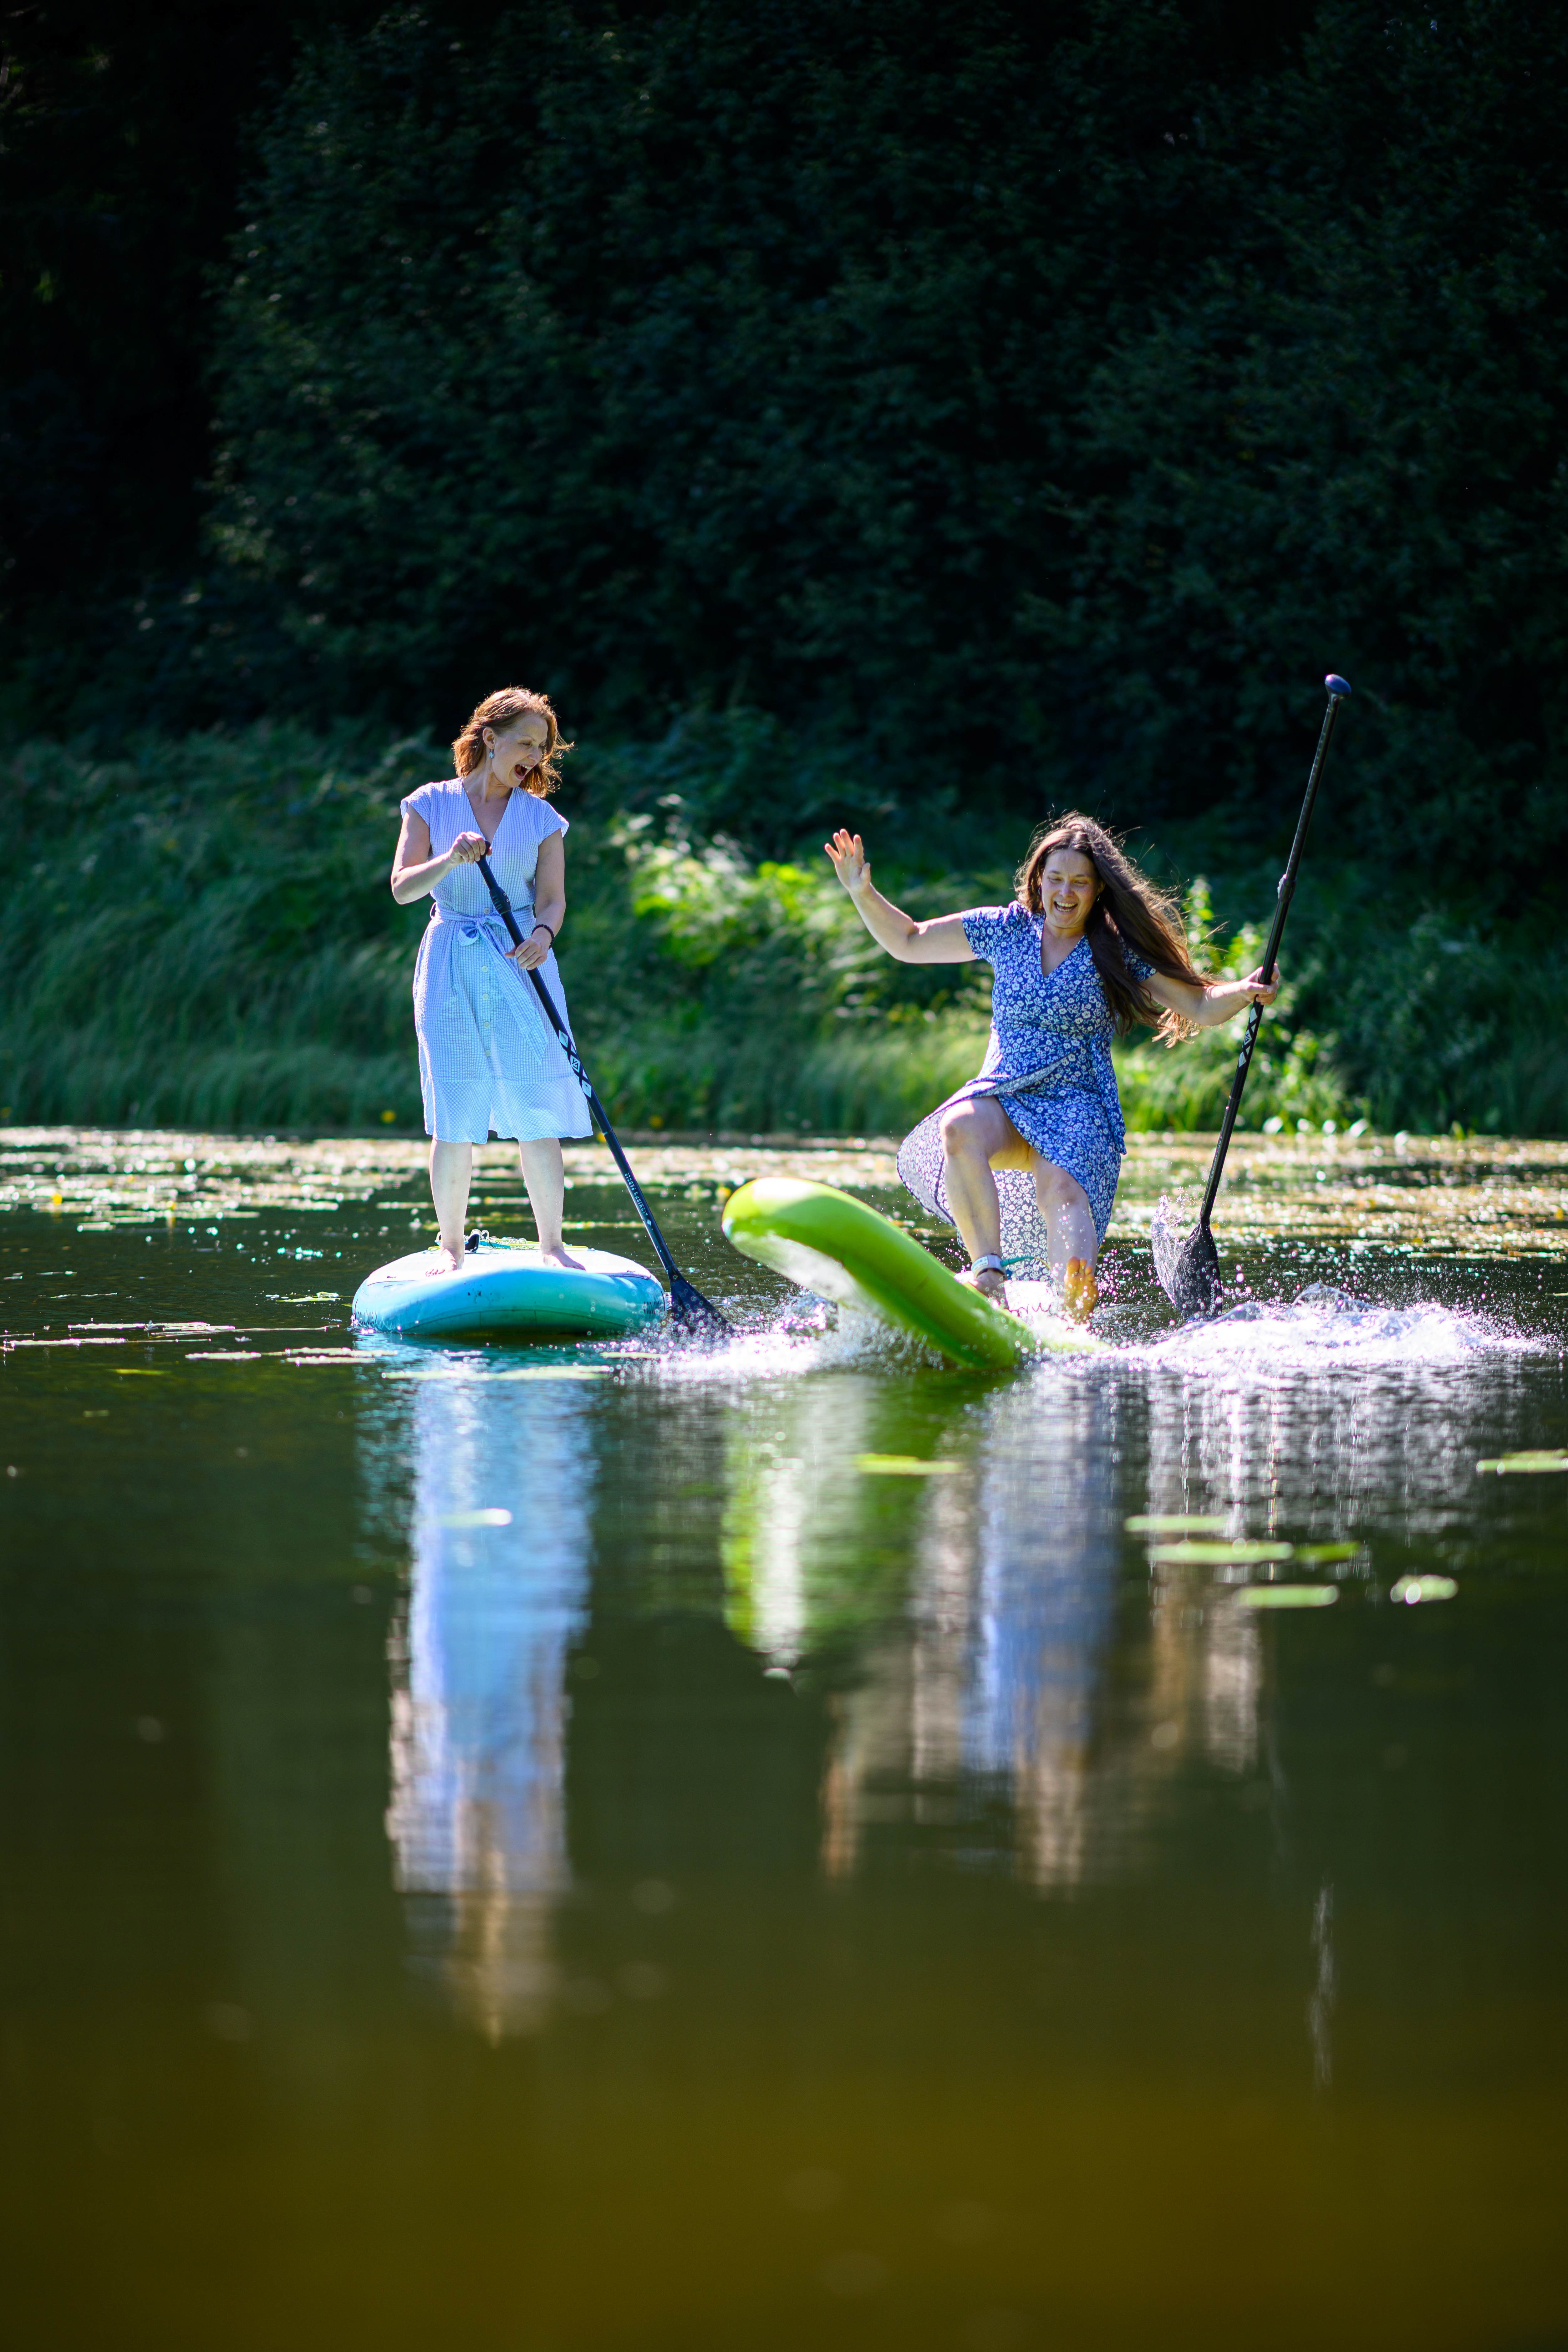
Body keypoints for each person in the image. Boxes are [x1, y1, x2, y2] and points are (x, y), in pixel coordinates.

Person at [824, 813, 1279, 1320]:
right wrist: (861, 891)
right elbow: (907, 941)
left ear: (1098, 889)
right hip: (1008, 1091)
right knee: (958, 1127)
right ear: (1040, 879)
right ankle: (990, 1280)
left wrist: (1246, 990)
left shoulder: (1114, 948)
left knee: (1061, 1191)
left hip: (1078, 1105)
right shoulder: (1005, 928)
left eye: (1080, 882)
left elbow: (1198, 1005)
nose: (1066, 893)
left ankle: (1071, 1315)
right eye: (1057, 879)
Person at [392, 686, 592, 1272]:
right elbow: (404, 888)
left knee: (537, 1106)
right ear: (489, 738)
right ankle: (449, 1249)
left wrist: (543, 937)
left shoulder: (542, 819)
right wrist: (450, 860)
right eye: (526, 742)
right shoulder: (427, 803)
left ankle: (552, 1246)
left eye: (543, 748)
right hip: (451, 960)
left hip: (522, 963)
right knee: (455, 1109)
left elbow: (552, 902)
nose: (534, 756)